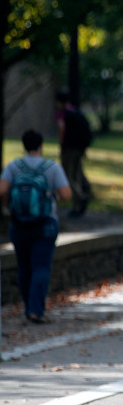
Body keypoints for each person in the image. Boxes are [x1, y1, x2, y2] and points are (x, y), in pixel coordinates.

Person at [0, 129, 72, 323]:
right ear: (41, 145)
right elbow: (66, 194)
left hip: (19, 223)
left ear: (24, 145)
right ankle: (36, 310)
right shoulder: (52, 167)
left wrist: (11, 206)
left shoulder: (14, 166)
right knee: (41, 266)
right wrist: (51, 196)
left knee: (23, 267)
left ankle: (27, 307)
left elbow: (2, 190)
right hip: (45, 223)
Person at [55, 89, 93, 218]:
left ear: (59, 101)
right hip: (79, 149)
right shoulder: (74, 111)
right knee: (76, 175)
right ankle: (76, 207)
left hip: (68, 149)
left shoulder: (62, 113)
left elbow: (62, 130)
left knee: (67, 176)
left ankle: (80, 197)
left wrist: (61, 146)